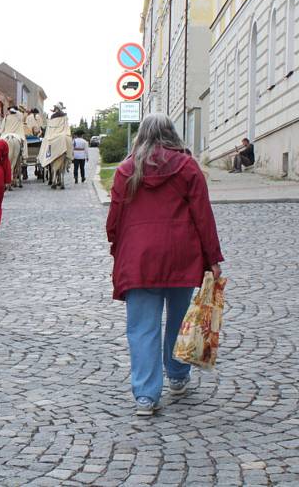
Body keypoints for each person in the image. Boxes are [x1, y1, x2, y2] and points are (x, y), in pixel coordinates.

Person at [106, 113, 224, 416]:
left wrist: (118, 247)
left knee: (142, 328)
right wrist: (213, 258)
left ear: (141, 135)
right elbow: (203, 216)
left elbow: (114, 220)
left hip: (139, 257)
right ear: (172, 134)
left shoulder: (126, 170)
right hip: (181, 255)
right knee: (179, 319)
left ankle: (146, 395)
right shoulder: (187, 167)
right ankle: (177, 374)